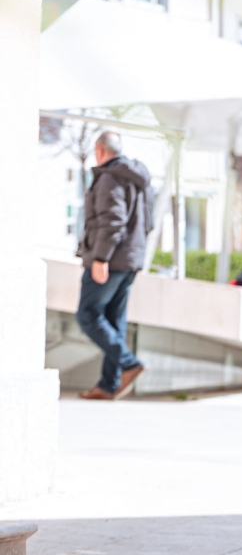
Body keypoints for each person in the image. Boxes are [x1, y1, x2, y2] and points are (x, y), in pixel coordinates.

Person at [75, 132, 151, 400]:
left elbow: (112, 220)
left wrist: (101, 258)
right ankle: (108, 385)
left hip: (111, 259)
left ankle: (129, 363)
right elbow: (148, 221)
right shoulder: (137, 178)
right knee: (114, 321)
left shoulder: (109, 177)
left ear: (99, 150)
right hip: (131, 259)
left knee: (87, 315)